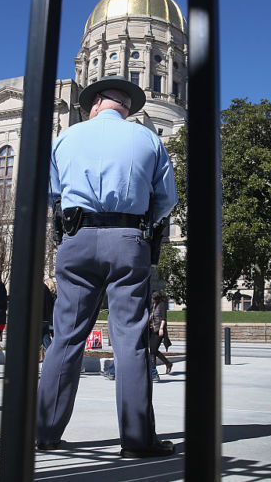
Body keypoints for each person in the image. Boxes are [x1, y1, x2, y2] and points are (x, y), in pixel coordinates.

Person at [37, 75, 178, 458]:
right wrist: (141, 222)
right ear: (125, 107)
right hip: (129, 240)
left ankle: (46, 431)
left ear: (97, 102)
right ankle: (136, 439)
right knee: (130, 340)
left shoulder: (65, 139)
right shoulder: (149, 139)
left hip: (76, 239)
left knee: (66, 337)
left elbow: (51, 193)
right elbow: (168, 199)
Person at [149, 290, 172, 380]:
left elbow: (163, 318)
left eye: (153, 298)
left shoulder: (162, 305)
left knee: (154, 350)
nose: (152, 299)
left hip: (159, 331)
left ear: (157, 299)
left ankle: (155, 370)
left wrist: (162, 328)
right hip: (152, 330)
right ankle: (155, 370)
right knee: (152, 351)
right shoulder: (153, 305)